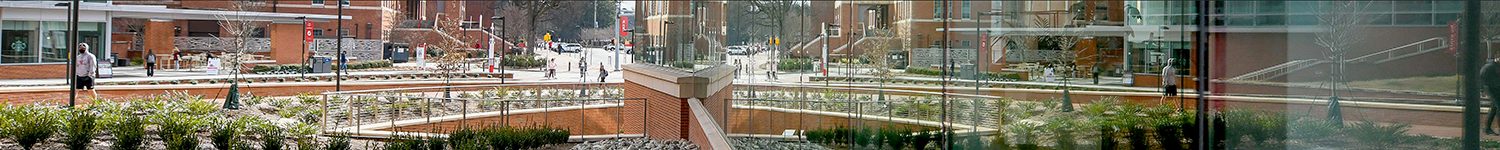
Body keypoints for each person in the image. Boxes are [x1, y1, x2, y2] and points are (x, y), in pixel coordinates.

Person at [1483, 58, 1500, 135]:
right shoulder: (1489, 66)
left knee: (1494, 108)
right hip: (1490, 89)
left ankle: (1487, 128)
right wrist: (1482, 90)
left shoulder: (1497, 66)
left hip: (1497, 89)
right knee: (1499, 107)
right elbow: (1481, 76)